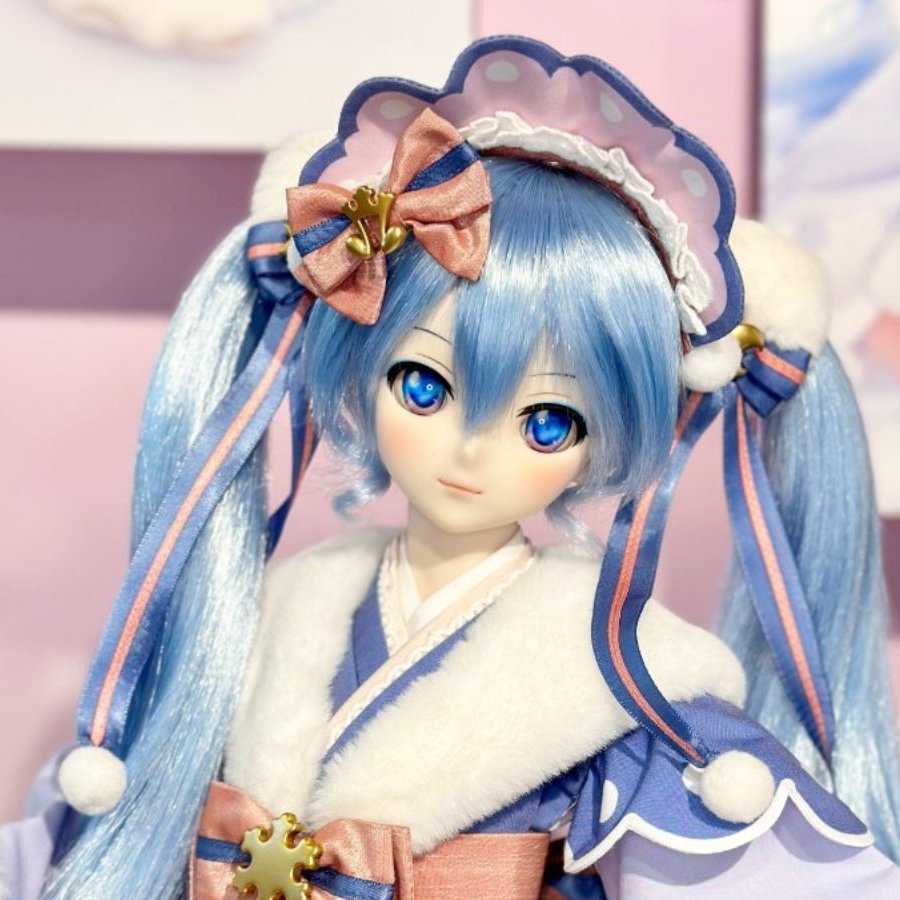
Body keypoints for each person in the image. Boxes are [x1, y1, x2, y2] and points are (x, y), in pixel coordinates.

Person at [3, 35, 900, 899]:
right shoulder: (261, 616)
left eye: (547, 422)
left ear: (611, 438)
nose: (471, 451)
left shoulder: (621, 679)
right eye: (424, 387)